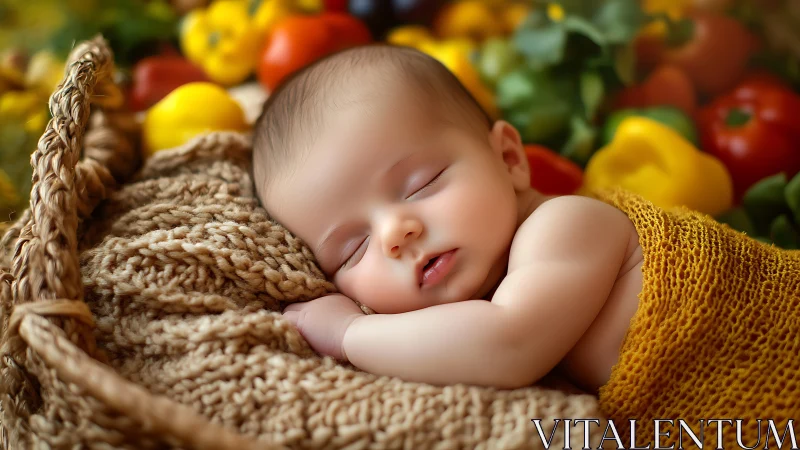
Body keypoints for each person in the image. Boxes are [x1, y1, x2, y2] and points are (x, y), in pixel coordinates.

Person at [252, 44, 643, 394]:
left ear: (508, 159)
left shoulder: (566, 223)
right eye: (353, 249)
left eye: (421, 185)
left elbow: (508, 344)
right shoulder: (484, 296)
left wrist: (348, 332)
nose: (395, 234)